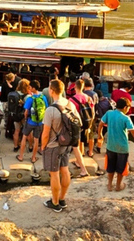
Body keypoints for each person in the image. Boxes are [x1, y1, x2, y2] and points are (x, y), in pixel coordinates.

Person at [97, 98, 134, 192]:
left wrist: (100, 134)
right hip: (122, 148)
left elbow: (100, 124)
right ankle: (118, 186)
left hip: (110, 146)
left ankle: (109, 185)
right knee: (121, 168)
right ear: (125, 107)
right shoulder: (126, 118)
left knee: (110, 166)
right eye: (129, 107)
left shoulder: (109, 113)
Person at [41, 79, 81, 212]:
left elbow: (45, 133)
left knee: (54, 174)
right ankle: (62, 199)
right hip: (67, 144)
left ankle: (55, 202)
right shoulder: (71, 104)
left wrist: (43, 146)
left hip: (53, 146)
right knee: (65, 170)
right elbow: (78, 122)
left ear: (51, 91)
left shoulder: (50, 110)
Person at [17, 80, 48, 163]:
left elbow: (26, 111)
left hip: (30, 121)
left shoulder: (30, 99)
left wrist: (26, 118)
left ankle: (21, 156)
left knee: (24, 137)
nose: (29, 88)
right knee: (36, 140)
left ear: (33, 88)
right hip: (40, 122)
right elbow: (46, 108)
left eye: (30, 87)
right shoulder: (43, 97)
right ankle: (33, 158)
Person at [11, 78, 30, 152]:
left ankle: (15, 146)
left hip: (15, 115)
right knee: (27, 132)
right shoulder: (27, 96)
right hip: (23, 116)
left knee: (16, 131)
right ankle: (30, 147)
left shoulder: (15, 93)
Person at [83, 78, 99, 157]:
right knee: (91, 135)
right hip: (92, 116)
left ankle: (81, 152)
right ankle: (90, 152)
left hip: (83, 116)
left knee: (82, 135)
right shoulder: (95, 94)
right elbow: (96, 105)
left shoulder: (82, 94)